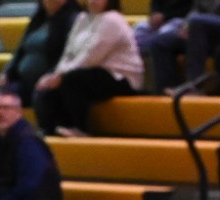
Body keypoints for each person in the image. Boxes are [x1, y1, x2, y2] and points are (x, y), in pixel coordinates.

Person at [34, 0, 145, 135]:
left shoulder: (113, 20)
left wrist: (61, 76)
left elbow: (92, 56)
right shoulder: (82, 19)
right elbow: (68, 53)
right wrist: (56, 74)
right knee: (49, 88)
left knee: (72, 80)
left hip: (120, 76)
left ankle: (80, 128)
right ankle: (49, 130)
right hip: (91, 72)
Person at [4, 0, 83, 94]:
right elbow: (21, 49)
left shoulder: (74, 20)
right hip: (23, 83)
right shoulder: (38, 19)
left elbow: (67, 56)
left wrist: (52, 76)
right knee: (4, 94)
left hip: (50, 85)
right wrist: (7, 72)